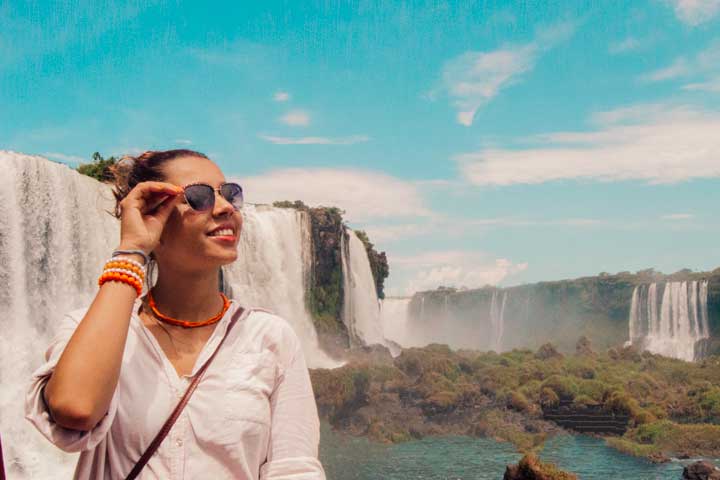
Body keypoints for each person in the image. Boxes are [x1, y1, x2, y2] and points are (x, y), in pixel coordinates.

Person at [25, 149, 326, 479]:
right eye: (199, 197)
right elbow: (75, 409)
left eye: (230, 194)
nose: (225, 207)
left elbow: (294, 469)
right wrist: (132, 251)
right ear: (153, 218)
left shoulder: (271, 337)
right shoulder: (93, 329)